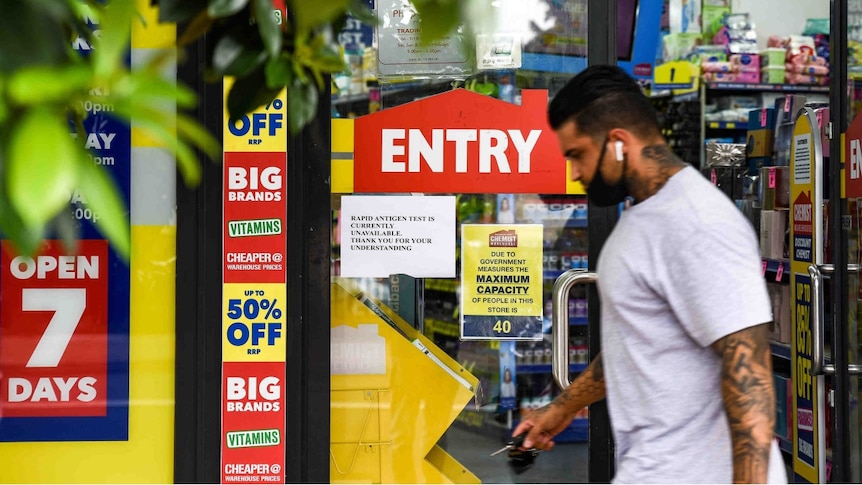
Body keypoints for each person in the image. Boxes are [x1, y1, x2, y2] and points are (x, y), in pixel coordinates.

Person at [512, 65, 786, 484]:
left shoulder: (697, 221)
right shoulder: (643, 216)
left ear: (618, 142)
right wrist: (562, 407)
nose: (574, 172)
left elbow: (749, 373)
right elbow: (637, 343)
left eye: (577, 154)